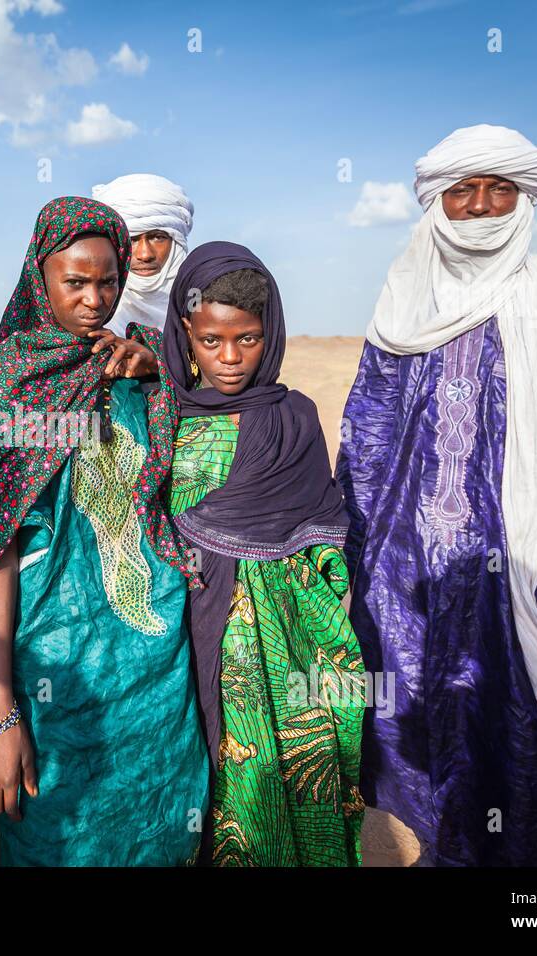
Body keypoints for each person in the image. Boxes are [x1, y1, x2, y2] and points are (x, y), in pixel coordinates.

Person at [337, 125, 537, 867]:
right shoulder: (403, 301)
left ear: (524, 197)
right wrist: (347, 564)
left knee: (524, 746)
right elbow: (367, 441)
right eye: (462, 190)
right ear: (436, 203)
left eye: (499, 188)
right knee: (407, 729)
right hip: (405, 574)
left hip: (521, 567)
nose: (481, 205)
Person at [0, 196, 208, 865]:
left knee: (162, 817)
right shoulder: (12, 374)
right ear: (39, 278)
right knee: (58, 829)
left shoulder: (136, 365)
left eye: (108, 281)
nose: (94, 299)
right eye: (75, 281)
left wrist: (159, 373)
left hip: (153, 654)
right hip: (54, 656)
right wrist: (0, 709)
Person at [164, 241, 364, 866]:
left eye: (248, 339)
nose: (230, 358)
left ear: (269, 333)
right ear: (185, 332)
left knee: (264, 789)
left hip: (278, 646)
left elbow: (324, 531)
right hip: (182, 632)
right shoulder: (161, 414)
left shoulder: (294, 416)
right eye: (211, 340)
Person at [91, 173, 194, 334]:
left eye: (158, 238)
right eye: (131, 240)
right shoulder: (87, 311)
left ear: (176, 242)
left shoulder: (204, 307)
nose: (145, 255)